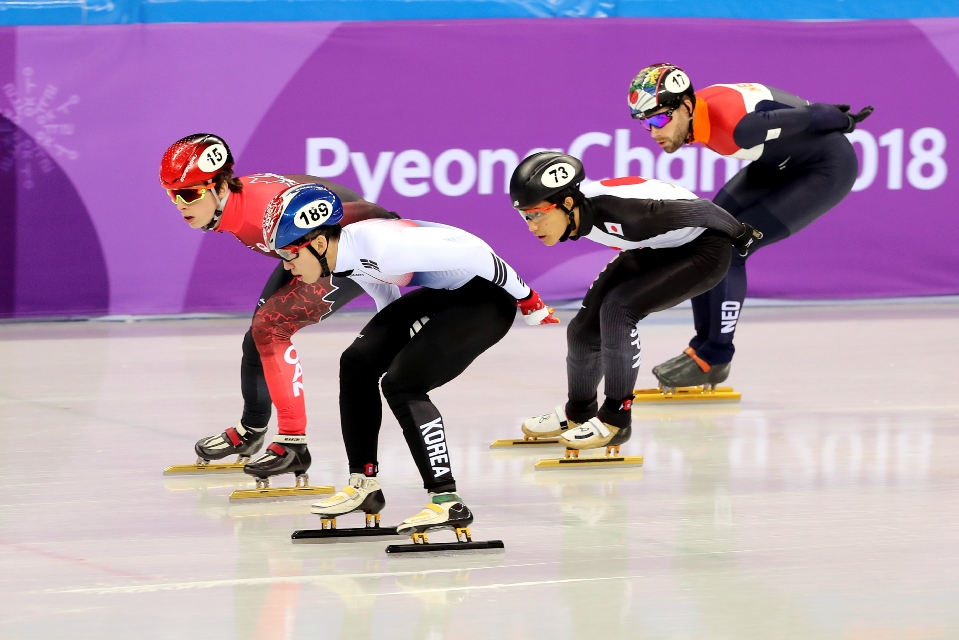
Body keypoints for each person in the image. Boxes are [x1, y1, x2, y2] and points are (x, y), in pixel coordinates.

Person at [260, 183, 557, 538]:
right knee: (357, 363)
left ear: (319, 243)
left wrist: (529, 299)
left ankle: (447, 499)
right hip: (443, 292)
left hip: (486, 300)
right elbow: (379, 283)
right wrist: (389, 338)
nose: (287, 267)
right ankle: (364, 484)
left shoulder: (389, 248)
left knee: (402, 383)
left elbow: (479, 255)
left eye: (289, 255)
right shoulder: (345, 253)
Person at [159, 133, 397, 486]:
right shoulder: (241, 203)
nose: (179, 203)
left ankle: (292, 444)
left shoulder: (260, 209)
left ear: (218, 186)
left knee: (270, 328)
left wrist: (383, 266)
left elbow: (366, 213)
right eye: (172, 194)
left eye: (189, 193)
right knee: (257, 337)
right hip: (306, 245)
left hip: (353, 248)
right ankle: (252, 429)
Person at [627, 63, 873, 389]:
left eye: (659, 119)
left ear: (686, 106)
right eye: (647, 124)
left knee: (729, 246)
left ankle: (715, 357)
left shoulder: (737, 128)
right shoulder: (698, 114)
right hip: (777, 162)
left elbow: (814, 116)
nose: (655, 132)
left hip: (824, 168)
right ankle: (701, 348)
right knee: (700, 236)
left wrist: (844, 119)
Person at [512, 152, 758, 450]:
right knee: (582, 331)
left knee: (618, 309)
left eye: (537, 214)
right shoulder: (581, 209)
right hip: (657, 246)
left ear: (567, 204)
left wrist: (741, 234)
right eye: (525, 216)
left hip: (704, 251)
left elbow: (703, 210)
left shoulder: (626, 213)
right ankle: (578, 414)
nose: (531, 226)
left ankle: (617, 420)